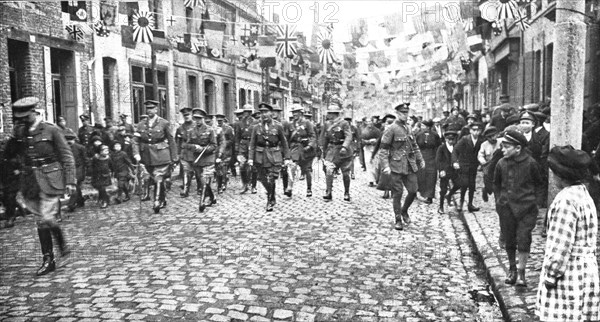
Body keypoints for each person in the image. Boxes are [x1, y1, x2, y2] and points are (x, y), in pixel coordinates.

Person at [10, 97, 75, 275]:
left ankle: (53, 254)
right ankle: (54, 252)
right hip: (30, 180)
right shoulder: (21, 132)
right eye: (20, 118)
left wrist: (70, 181)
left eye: (25, 116)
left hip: (50, 178)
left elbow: (66, 155)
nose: (23, 120)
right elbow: (9, 154)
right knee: (42, 220)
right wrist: (14, 137)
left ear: (34, 112)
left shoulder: (51, 130)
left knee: (45, 218)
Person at [535, 145, 599, 321]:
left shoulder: (565, 201)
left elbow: (560, 247)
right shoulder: (584, 194)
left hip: (569, 274)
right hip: (587, 270)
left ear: (560, 175)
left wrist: (551, 275)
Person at [494, 130, 543, 287]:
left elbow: (539, 184)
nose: (503, 149)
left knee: (523, 238)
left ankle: (522, 273)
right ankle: (512, 269)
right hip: (507, 208)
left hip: (526, 209)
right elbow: (496, 183)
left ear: (518, 148)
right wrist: (498, 201)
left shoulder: (531, 163)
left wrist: (535, 202)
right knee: (509, 239)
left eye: (506, 146)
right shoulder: (501, 163)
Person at [380, 102, 425, 231]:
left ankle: (404, 210)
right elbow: (383, 150)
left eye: (406, 113)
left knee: (413, 190)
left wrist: (420, 159)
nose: (405, 115)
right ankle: (398, 219)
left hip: (409, 165)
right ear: (397, 114)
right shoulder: (391, 129)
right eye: (402, 113)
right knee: (397, 194)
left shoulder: (409, 128)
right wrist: (385, 166)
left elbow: (414, 146)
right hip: (395, 166)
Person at [132, 100, 178, 214]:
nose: (149, 110)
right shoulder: (141, 124)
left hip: (161, 155)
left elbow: (171, 141)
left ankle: (156, 201)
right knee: (157, 178)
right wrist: (136, 153)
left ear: (156, 109)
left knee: (158, 177)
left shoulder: (164, 123)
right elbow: (135, 140)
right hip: (147, 156)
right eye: (148, 108)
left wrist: (174, 157)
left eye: (152, 108)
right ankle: (163, 199)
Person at [248, 103, 291, 211]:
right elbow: (252, 144)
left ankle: (270, 199)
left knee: (271, 178)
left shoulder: (278, 126)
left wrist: (287, 158)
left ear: (271, 113)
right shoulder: (256, 127)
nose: (264, 115)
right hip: (260, 156)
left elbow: (284, 143)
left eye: (266, 112)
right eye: (262, 112)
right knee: (262, 179)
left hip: (274, 155)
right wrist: (250, 158)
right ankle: (272, 193)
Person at [186, 108, 217, 212]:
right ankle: (212, 197)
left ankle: (202, 202)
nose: (197, 120)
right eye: (195, 118)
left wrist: (204, 149)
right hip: (197, 159)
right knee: (201, 179)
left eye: (199, 118)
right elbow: (187, 144)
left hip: (208, 158)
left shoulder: (210, 130)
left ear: (203, 118)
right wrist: (194, 147)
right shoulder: (191, 131)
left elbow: (214, 145)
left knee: (205, 179)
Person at [320, 104, 354, 201]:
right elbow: (325, 137)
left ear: (334, 114)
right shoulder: (327, 124)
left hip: (344, 152)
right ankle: (328, 191)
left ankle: (346, 192)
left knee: (346, 173)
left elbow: (348, 136)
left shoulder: (344, 123)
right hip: (332, 150)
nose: (328, 115)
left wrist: (344, 146)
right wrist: (323, 150)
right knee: (329, 170)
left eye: (329, 113)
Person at [452, 121, 484, 213]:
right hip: (464, 165)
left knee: (472, 185)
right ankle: (461, 203)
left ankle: (470, 204)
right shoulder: (464, 139)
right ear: (470, 130)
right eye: (474, 130)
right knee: (464, 184)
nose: (476, 132)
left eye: (478, 130)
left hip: (473, 166)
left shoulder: (481, 140)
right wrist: (455, 162)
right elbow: (455, 150)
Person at [416, 119, 441, 204]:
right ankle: (419, 192)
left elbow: (439, 147)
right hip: (421, 157)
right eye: (422, 126)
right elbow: (415, 146)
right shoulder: (418, 135)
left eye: (424, 126)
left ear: (429, 127)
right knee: (421, 175)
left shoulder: (435, 135)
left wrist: (438, 158)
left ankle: (429, 196)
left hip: (432, 157)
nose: (423, 128)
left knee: (431, 177)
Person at [436, 127, 460, 214]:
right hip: (445, 171)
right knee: (443, 190)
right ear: (446, 139)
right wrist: (441, 170)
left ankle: (449, 196)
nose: (451, 141)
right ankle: (441, 206)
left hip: (454, 170)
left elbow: (459, 157)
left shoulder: (456, 147)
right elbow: (438, 160)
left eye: (452, 139)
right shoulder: (441, 148)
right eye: (449, 139)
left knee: (459, 184)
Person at [234, 104, 257, 194]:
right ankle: (245, 185)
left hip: (252, 145)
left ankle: (254, 186)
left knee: (253, 166)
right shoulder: (240, 123)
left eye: (248, 112)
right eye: (245, 112)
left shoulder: (256, 122)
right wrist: (237, 148)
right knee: (242, 165)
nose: (246, 113)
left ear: (251, 112)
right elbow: (237, 137)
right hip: (243, 145)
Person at [175, 107, 196, 197]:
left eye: (188, 115)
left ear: (191, 115)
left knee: (198, 172)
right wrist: (178, 154)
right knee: (186, 171)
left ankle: (200, 187)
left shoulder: (196, 126)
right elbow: (177, 142)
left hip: (196, 152)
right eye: (185, 115)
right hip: (185, 153)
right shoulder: (180, 128)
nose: (186, 117)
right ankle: (186, 189)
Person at [65, 132, 87, 212]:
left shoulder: (80, 147)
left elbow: (85, 159)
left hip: (79, 168)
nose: (69, 141)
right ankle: (80, 201)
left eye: (70, 139)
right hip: (69, 169)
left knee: (75, 185)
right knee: (77, 186)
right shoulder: (64, 148)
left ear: (74, 139)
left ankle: (71, 205)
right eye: (67, 140)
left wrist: (87, 170)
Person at [478, 126, 501, 202]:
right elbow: (480, 155)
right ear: (487, 137)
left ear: (497, 135)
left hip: (499, 166)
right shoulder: (484, 145)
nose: (492, 138)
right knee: (489, 186)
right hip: (488, 166)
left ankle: (497, 200)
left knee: (498, 185)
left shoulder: (501, 142)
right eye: (490, 137)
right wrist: (483, 162)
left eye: (494, 136)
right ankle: (485, 190)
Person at [216, 113, 234, 194]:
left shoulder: (228, 129)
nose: (219, 122)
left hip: (226, 151)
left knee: (224, 167)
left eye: (220, 120)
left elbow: (232, 140)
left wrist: (225, 143)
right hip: (217, 151)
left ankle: (223, 183)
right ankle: (221, 181)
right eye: (218, 120)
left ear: (224, 120)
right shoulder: (215, 129)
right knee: (218, 168)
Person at [360, 117, 381, 186]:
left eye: (370, 121)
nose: (369, 123)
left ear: (372, 122)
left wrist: (376, 141)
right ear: (366, 122)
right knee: (368, 162)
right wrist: (368, 141)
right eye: (367, 122)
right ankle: (370, 180)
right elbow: (361, 140)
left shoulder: (377, 130)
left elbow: (380, 138)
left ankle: (376, 178)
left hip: (375, 148)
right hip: (367, 148)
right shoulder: (363, 131)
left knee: (375, 163)